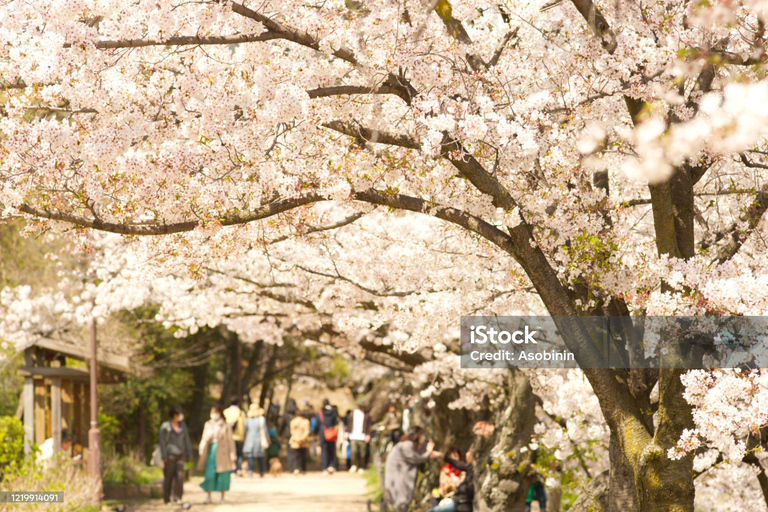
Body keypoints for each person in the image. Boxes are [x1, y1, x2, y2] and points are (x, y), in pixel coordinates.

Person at [384, 427, 442, 512]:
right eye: (422, 436)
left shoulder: (406, 444)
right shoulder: (407, 445)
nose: (423, 438)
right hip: (398, 477)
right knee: (402, 502)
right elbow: (417, 459)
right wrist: (429, 452)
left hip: (400, 476)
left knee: (401, 502)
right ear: (417, 436)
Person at [197, 405, 237, 504]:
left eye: (216, 412)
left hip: (223, 452)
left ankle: (222, 496)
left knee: (222, 475)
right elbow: (204, 438)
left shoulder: (226, 425)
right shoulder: (208, 424)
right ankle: (208, 495)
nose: (214, 415)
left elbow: (230, 440)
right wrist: (201, 448)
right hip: (211, 451)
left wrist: (232, 453)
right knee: (209, 474)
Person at [159, 407, 193, 505]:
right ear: (175, 415)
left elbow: (186, 440)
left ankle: (177, 497)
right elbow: (162, 441)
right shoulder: (166, 426)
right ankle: (166, 498)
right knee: (168, 477)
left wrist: (189, 453)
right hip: (169, 455)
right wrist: (163, 455)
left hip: (180, 454)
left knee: (180, 476)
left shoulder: (183, 426)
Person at [428, 446, 464, 512]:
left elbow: (461, 485)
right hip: (445, 498)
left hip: (457, 499)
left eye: (456, 456)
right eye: (451, 457)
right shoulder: (444, 470)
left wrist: (450, 483)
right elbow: (442, 487)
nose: (454, 459)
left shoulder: (463, 469)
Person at [243, 403, 269, 478]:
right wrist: (267, 439)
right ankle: (261, 471)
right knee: (260, 456)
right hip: (259, 439)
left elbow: (245, 430)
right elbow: (265, 430)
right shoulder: (261, 419)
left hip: (249, 439)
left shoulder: (247, 420)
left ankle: (250, 471)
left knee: (250, 456)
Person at [346, 401, 372, 473]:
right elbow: (349, 424)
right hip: (353, 436)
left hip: (362, 436)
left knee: (362, 453)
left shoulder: (367, 415)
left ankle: (361, 466)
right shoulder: (353, 413)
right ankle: (354, 465)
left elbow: (369, 426)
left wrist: (368, 435)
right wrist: (347, 433)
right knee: (354, 451)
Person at [314, 399, 339, 475]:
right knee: (332, 450)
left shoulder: (319, 413)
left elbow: (317, 424)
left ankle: (325, 468)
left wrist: (315, 433)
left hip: (323, 433)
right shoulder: (333, 412)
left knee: (324, 451)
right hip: (331, 433)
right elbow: (336, 423)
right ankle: (331, 466)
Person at [223, 398, 246, 476]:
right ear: (238, 403)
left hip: (228, 437)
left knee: (230, 454)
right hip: (239, 436)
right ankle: (238, 469)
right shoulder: (241, 413)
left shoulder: (225, 412)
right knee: (239, 454)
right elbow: (244, 425)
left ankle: (231, 470)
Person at [288, 410, 311, 474]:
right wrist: (302, 439)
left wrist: (297, 439)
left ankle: (296, 468)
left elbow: (292, 431)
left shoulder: (293, 421)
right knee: (303, 455)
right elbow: (307, 432)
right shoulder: (306, 421)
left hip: (295, 441)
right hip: (303, 441)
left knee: (295, 456)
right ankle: (303, 469)